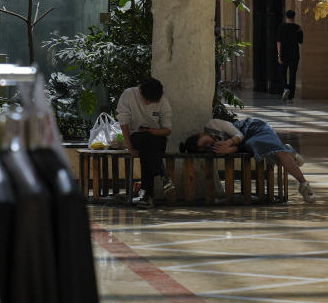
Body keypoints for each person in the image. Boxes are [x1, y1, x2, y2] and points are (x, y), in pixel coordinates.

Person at [181, 116, 316, 203]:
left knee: (257, 145)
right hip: (247, 143)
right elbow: (241, 147)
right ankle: (288, 152)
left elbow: (239, 135)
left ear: (200, 134)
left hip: (254, 128)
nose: (208, 145)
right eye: (205, 148)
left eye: (205, 142)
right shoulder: (214, 147)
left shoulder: (213, 125)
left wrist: (229, 145)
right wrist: (231, 149)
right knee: (258, 147)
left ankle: (303, 184)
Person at [116, 77, 175, 208]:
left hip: (157, 138)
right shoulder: (128, 95)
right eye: (145, 99)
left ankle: (146, 196)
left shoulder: (163, 101)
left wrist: (152, 131)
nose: (148, 103)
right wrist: (129, 147)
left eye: (151, 101)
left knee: (148, 148)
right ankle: (161, 173)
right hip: (137, 137)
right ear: (140, 91)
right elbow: (124, 123)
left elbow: (167, 130)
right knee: (146, 141)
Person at [276, 9, 303, 101]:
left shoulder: (281, 27)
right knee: (293, 75)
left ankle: (285, 88)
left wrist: (279, 55)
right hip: (294, 53)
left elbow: (279, 42)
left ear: (286, 16)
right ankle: (291, 96)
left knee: (282, 72)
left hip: (284, 53)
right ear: (294, 17)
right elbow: (300, 41)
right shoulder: (297, 28)